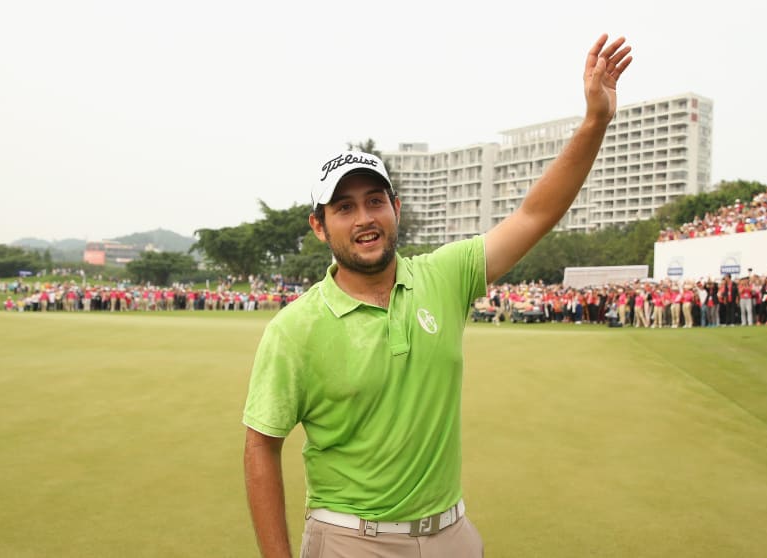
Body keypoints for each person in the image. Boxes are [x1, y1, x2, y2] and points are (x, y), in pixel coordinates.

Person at [242, 34, 633, 558]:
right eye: (344, 208)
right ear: (319, 225)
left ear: (395, 208)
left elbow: (535, 215)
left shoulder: (443, 276)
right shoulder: (295, 328)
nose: (364, 219)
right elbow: (261, 447)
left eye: (375, 201)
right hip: (351, 539)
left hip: (452, 535)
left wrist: (594, 122)